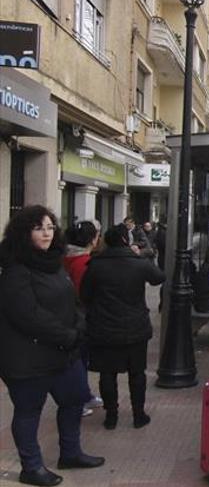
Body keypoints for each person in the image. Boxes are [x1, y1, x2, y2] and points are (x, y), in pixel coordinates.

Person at [0, 205, 105, 487]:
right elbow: (27, 314)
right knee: (29, 411)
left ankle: (70, 453)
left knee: (73, 400)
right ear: (24, 233)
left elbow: (73, 301)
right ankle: (31, 467)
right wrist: (67, 335)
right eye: (38, 228)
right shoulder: (15, 269)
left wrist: (80, 324)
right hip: (28, 356)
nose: (46, 233)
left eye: (49, 227)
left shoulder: (54, 263)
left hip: (63, 353)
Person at [80, 224, 165, 430]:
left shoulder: (95, 265)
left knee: (107, 374)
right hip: (135, 328)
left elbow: (85, 295)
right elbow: (158, 277)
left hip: (104, 328)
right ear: (126, 241)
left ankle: (111, 416)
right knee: (137, 373)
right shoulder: (138, 263)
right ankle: (138, 414)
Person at [63, 221, 104, 418]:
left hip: (70, 315)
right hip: (80, 316)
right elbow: (85, 293)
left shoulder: (65, 258)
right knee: (79, 359)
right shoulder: (84, 263)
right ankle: (78, 398)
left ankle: (83, 394)